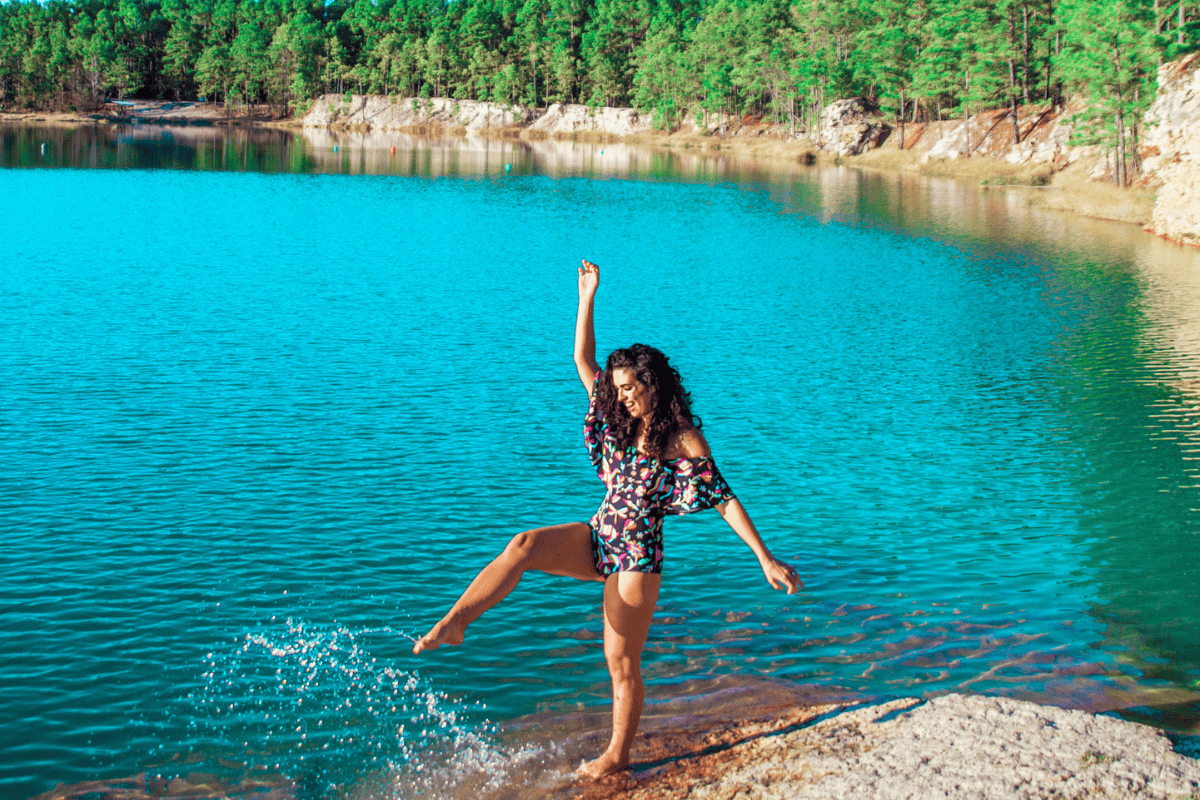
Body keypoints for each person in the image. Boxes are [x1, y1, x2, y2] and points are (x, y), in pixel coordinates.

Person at [412, 259, 803, 779]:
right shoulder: (617, 419)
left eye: (628, 387)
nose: (619, 395)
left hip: (637, 557)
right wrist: (587, 298)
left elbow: (722, 496)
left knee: (620, 663)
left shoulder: (681, 438)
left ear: (651, 383)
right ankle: (457, 621)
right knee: (524, 544)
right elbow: (582, 357)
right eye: (616, 387)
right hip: (599, 536)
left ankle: (617, 758)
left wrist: (764, 557)